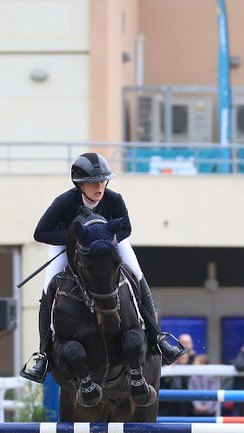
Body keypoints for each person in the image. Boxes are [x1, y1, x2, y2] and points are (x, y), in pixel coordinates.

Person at [19, 152, 186, 382]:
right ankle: (44, 353)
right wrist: (72, 239)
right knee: (49, 288)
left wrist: (106, 238)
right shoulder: (65, 202)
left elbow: (126, 228)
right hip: (73, 248)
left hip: (109, 247)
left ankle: (157, 337)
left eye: (103, 181)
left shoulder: (114, 198)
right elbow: (40, 233)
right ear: (80, 184)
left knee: (137, 276)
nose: (100, 187)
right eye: (93, 182)